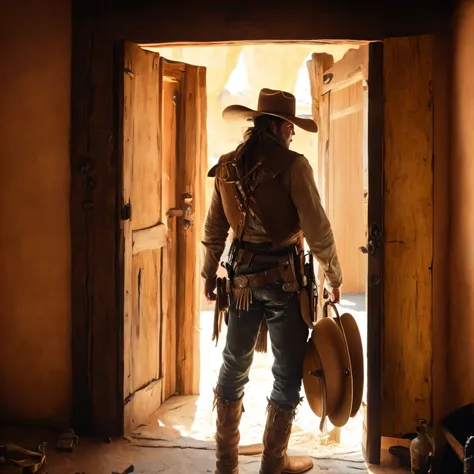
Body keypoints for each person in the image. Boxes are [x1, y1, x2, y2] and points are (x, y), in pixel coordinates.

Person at [201, 88, 343, 474]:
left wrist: (207, 273)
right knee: (286, 371)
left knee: (233, 365)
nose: (292, 137)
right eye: (291, 130)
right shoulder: (294, 166)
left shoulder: (227, 165)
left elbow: (214, 229)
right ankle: (272, 464)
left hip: (241, 281)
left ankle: (225, 464)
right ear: (280, 127)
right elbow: (318, 229)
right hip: (286, 284)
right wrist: (334, 275)